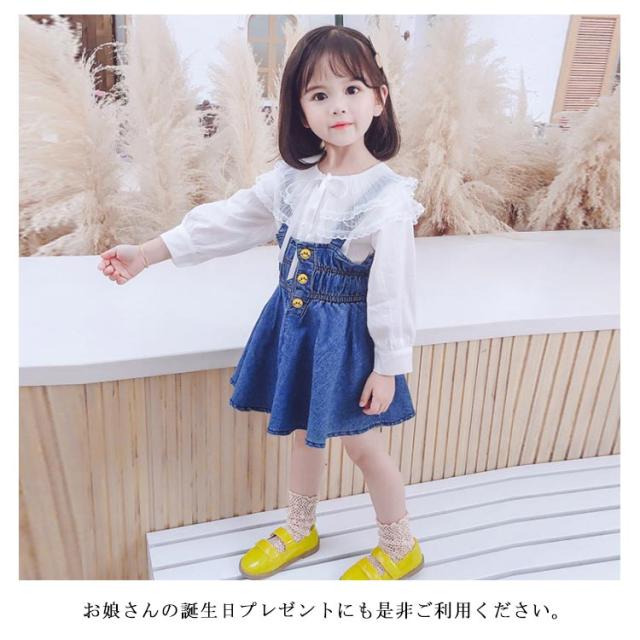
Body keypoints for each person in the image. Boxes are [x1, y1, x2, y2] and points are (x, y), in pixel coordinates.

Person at [97, 25, 425, 580]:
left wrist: (389, 367)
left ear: (379, 98)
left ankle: (400, 545)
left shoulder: (387, 198)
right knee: (300, 432)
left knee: (362, 447)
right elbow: (227, 222)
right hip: (295, 331)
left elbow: (394, 291)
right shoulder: (292, 182)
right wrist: (148, 253)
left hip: (347, 346)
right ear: (300, 110)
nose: (337, 106)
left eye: (352, 89)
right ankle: (300, 527)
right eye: (319, 94)